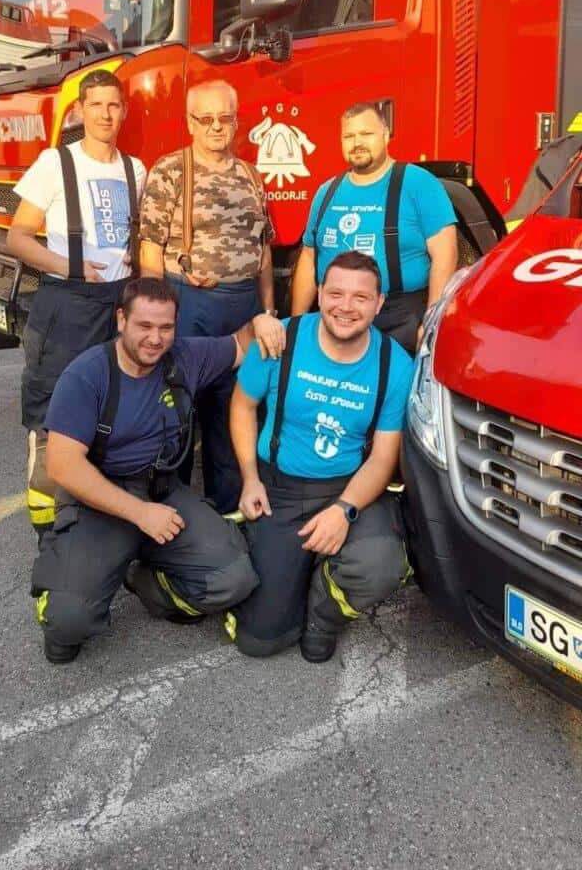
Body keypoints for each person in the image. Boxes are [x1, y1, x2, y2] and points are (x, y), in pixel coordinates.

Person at [31, 276, 285, 664]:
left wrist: (261, 321)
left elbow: (240, 343)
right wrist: (140, 514)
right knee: (68, 623)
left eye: (165, 327)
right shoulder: (87, 375)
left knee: (234, 580)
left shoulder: (186, 357)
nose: (155, 338)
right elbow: (63, 466)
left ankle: (145, 579)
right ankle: (70, 572)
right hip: (101, 496)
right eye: (144, 326)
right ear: (121, 319)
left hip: (162, 491)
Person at [229, 251, 413, 663]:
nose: (345, 307)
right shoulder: (281, 339)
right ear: (319, 292)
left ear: (379, 303)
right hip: (282, 488)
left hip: (349, 488)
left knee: (381, 565)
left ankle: (323, 616)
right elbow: (242, 406)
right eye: (335, 294)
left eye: (361, 298)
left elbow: (383, 459)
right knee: (259, 641)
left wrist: (344, 510)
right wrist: (250, 478)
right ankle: (289, 558)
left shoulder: (395, 365)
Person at [7, 69, 146, 538]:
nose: (106, 114)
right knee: (53, 419)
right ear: (80, 110)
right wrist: (72, 267)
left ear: (124, 111)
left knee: (112, 413)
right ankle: (50, 537)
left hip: (119, 304)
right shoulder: (55, 163)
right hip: (66, 303)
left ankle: (98, 524)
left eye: (114, 105)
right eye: (97, 105)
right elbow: (17, 237)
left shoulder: (136, 169)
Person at [139, 79, 275, 512]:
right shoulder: (170, 171)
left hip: (244, 307)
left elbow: (264, 250)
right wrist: (156, 313)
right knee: (177, 412)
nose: (216, 127)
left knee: (236, 409)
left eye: (225, 118)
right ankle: (172, 512)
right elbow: (150, 249)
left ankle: (232, 511)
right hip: (189, 307)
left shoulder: (251, 175)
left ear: (236, 121)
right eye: (206, 119)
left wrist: (268, 308)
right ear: (190, 123)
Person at [291, 101, 458, 353]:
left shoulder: (420, 184)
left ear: (386, 135)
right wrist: (297, 323)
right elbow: (309, 256)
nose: (357, 143)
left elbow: (446, 256)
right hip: (336, 318)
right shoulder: (326, 192)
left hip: (398, 321)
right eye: (349, 136)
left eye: (366, 134)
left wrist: (431, 322)